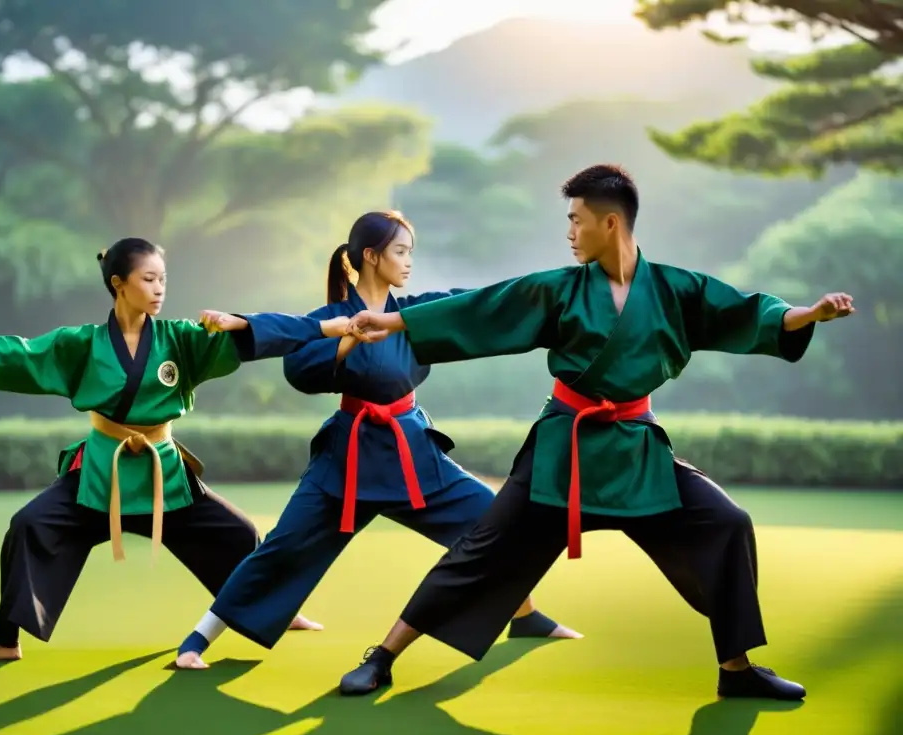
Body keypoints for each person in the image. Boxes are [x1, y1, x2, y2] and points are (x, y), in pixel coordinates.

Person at [337, 165, 856, 700]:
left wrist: (807, 314)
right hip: (564, 454)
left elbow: (748, 312)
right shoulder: (560, 289)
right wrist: (397, 322)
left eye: (576, 220)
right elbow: (487, 307)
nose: (568, 232)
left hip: (636, 451)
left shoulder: (677, 289)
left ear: (611, 223)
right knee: (482, 552)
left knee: (725, 522)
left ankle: (737, 670)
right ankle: (383, 655)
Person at [0, 237, 359, 662]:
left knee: (238, 533)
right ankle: (5, 639)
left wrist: (321, 327)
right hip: (99, 473)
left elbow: (252, 335)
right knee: (29, 525)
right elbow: (27, 353)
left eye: (163, 279)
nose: (159, 288)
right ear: (118, 284)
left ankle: (279, 611)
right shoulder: (83, 343)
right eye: (149, 279)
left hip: (161, 475)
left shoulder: (181, 338)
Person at [174, 211, 581, 671]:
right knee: (282, 549)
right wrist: (341, 343)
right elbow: (296, 351)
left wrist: (554, 287)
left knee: (493, 523)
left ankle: (525, 616)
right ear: (371, 256)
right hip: (347, 461)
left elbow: (474, 304)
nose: (409, 263)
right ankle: (197, 639)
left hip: (414, 456)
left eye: (411, 253)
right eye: (400, 252)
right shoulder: (329, 318)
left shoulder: (414, 316)